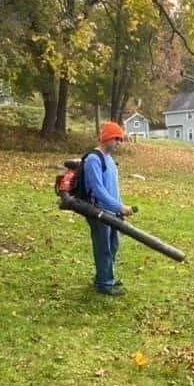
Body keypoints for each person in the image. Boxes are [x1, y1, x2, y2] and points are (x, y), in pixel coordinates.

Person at [82, 122, 133, 295]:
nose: (119, 142)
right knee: (103, 247)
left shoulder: (110, 160)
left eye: (121, 139)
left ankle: (106, 277)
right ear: (106, 138)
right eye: (116, 138)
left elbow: (114, 189)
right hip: (98, 211)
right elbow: (98, 190)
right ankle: (104, 284)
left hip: (112, 212)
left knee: (113, 245)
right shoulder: (93, 160)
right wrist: (118, 206)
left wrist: (120, 209)